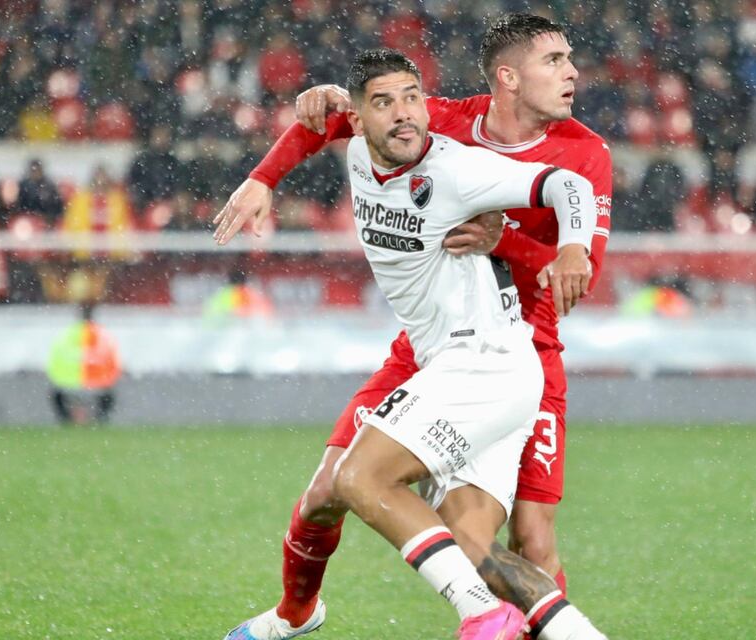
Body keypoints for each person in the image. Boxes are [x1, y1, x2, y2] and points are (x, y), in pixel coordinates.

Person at [214, 14, 612, 640]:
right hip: (426, 348)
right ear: (508, 77)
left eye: (569, 59)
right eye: (555, 61)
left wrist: (506, 238)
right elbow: (339, 118)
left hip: (515, 347)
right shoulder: (434, 118)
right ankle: (295, 613)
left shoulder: (581, 153)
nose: (572, 73)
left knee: (526, 537)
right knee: (333, 496)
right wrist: (267, 172)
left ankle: (483, 615)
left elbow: (579, 272)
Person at [46, 303, 121, 425]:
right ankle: (100, 420)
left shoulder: (67, 334)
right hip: (97, 383)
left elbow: (55, 358)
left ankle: (66, 420)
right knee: (108, 395)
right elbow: (112, 359)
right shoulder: (102, 335)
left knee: (57, 395)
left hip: (68, 382)